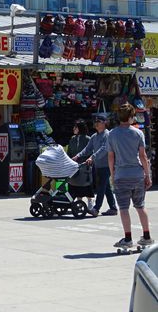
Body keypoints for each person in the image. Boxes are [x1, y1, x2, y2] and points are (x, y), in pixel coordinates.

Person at [107, 103, 154, 248]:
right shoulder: (138, 133)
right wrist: (148, 174)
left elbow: (111, 157)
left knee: (123, 208)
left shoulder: (112, 134)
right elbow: (143, 155)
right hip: (137, 174)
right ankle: (146, 236)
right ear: (131, 116)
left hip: (121, 175)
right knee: (140, 206)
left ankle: (128, 239)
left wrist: (112, 175)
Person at [73, 114, 118, 216]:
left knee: (101, 187)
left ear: (104, 123)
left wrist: (92, 157)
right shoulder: (94, 136)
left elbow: (104, 149)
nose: (96, 124)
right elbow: (87, 149)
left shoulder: (108, 135)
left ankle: (96, 208)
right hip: (98, 166)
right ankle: (113, 208)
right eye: (95, 122)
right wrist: (78, 156)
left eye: (99, 122)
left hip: (107, 166)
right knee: (106, 188)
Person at [66, 119, 96, 215]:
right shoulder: (72, 139)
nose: (73, 129)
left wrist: (89, 161)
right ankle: (79, 204)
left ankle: (90, 204)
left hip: (85, 166)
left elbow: (91, 151)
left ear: (79, 128)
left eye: (75, 127)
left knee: (87, 185)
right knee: (75, 185)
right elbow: (69, 152)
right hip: (74, 166)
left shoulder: (88, 139)